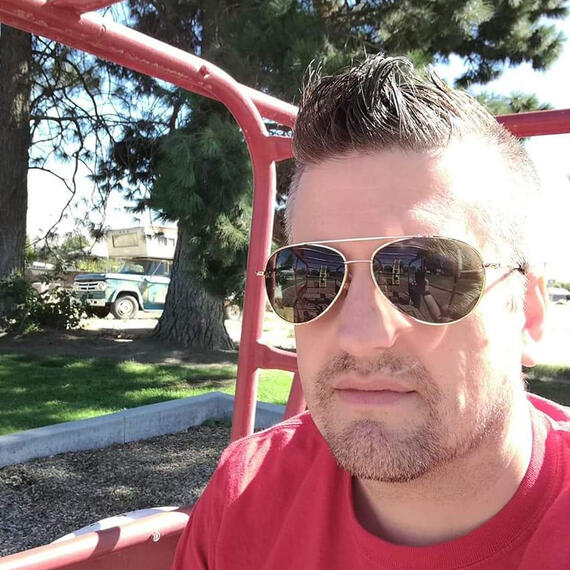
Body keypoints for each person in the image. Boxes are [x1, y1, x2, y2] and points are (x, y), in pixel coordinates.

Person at [173, 55, 570, 569]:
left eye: (427, 273)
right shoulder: (245, 496)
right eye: (313, 275)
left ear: (529, 316)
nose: (360, 334)